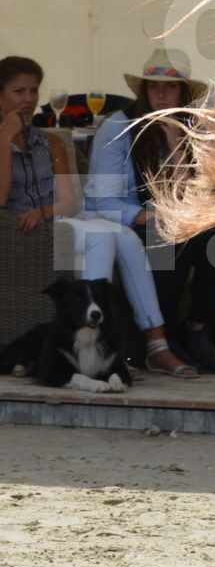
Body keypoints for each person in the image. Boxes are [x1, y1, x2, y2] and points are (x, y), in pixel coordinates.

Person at [0, 55, 196, 378]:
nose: (28, 99)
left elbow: (69, 201)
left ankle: (155, 344)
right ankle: (101, 342)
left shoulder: (50, 141)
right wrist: (4, 140)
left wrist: (45, 211)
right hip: (19, 229)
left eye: (33, 91)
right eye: (18, 92)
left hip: (58, 221)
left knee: (127, 239)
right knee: (105, 235)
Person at [85, 49, 215, 375]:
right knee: (171, 235)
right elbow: (103, 200)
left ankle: (199, 330)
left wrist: (174, 144)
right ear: (143, 90)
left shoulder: (190, 127)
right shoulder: (117, 127)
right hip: (124, 218)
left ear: (182, 93)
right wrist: (146, 217)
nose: (160, 94)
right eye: (153, 86)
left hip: (167, 217)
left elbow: (192, 193)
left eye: (170, 88)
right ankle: (165, 336)